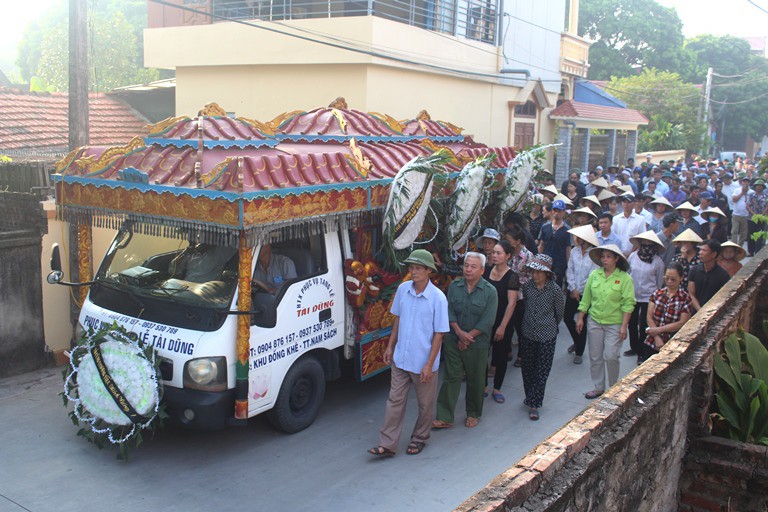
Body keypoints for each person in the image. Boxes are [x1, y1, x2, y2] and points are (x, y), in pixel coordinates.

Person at [368, 250, 449, 457]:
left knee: (425, 405)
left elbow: (439, 334)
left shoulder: (437, 298)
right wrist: (389, 346)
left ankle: (420, 438)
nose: (413, 272)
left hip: (423, 361)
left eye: (418, 268)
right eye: (411, 268)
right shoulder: (403, 290)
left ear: (428, 271)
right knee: (394, 400)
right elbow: (398, 320)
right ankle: (388, 444)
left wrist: (429, 364)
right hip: (401, 359)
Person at [433, 252, 497, 429]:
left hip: (478, 344)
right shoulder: (455, 286)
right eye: (466, 265)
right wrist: (459, 332)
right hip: (454, 339)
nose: (468, 269)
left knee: (475, 379)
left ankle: (473, 413)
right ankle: (445, 416)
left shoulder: (490, 292)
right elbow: (449, 311)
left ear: (482, 270)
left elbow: (488, 320)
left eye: (473, 266)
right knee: (451, 376)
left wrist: (468, 337)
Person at [576, 244, 636, 399]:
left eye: (609, 256)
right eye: (603, 256)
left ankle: (613, 386)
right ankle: (598, 387)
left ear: (616, 259)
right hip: (595, 321)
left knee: (611, 356)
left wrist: (624, 326)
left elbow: (628, 303)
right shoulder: (594, 275)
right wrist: (581, 317)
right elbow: (586, 298)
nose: (605, 260)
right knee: (595, 356)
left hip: (614, 323)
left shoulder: (625, 279)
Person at [519, 254, 565, 421]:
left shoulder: (555, 290)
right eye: (533, 271)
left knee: (542, 370)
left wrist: (549, 325)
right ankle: (530, 395)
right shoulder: (528, 287)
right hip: (528, 332)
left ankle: (534, 403)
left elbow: (559, 313)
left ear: (547, 274)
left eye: (539, 272)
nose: (535, 275)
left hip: (547, 334)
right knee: (527, 367)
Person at [483, 241, 519, 404]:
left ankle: (497, 388)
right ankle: (483, 386)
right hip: (486, 321)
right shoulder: (487, 271)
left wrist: (503, 326)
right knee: (483, 354)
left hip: (503, 321)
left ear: (508, 256)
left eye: (499, 253)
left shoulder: (512, 277)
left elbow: (511, 303)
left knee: (500, 355)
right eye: (494, 253)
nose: (495, 256)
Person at [639, 262, 693, 362]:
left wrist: (658, 330)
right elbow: (649, 318)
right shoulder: (657, 294)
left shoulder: (685, 298)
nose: (669, 281)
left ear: (681, 278)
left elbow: (682, 322)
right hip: (652, 341)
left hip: (673, 342)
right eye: (666, 278)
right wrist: (657, 337)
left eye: (673, 279)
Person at [625, 231, 666, 362]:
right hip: (633, 294)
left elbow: (659, 281)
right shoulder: (632, 256)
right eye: (644, 243)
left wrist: (656, 296)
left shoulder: (658, 261)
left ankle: (642, 352)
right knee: (631, 322)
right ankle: (634, 347)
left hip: (649, 296)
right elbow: (627, 273)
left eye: (649, 244)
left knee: (644, 324)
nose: (646, 246)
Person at [565, 225, 599, 365]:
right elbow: (570, 270)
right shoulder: (574, 251)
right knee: (567, 317)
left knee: (581, 321)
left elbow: (592, 276)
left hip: (586, 293)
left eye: (578, 237)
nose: (576, 239)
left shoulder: (594, 255)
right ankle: (576, 341)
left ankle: (579, 351)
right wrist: (573, 288)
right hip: (572, 291)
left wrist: (580, 290)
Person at [688, 240, 731, 312]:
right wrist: (699, 310)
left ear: (713, 254)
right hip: (695, 312)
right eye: (700, 250)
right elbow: (691, 293)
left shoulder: (723, 276)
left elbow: (723, 298)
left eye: (704, 250)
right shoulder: (694, 270)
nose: (700, 253)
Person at [538, 199, 571, 287]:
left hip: (559, 263)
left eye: (559, 211)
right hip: (546, 262)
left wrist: (568, 265)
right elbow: (541, 244)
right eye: (555, 210)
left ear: (564, 212)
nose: (557, 213)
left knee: (556, 286)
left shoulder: (567, 229)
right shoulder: (545, 227)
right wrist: (539, 260)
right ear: (552, 211)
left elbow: (568, 248)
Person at [169, 243, 238, 283]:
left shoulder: (219, 253)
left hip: (204, 292)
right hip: (185, 290)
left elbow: (236, 243)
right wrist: (184, 253)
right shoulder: (191, 253)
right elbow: (172, 270)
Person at [746, 179, 768, 256]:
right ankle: (750, 251)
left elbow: (767, 206)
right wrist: (754, 214)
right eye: (757, 186)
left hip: (762, 218)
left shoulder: (765, 196)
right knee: (750, 234)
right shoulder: (751, 195)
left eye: (760, 186)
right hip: (751, 218)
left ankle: (758, 251)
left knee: (760, 236)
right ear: (755, 187)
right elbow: (748, 205)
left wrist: (762, 215)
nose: (759, 187)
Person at [731, 174, 752, 249]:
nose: (745, 183)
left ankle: (739, 246)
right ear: (742, 182)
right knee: (734, 231)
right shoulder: (737, 190)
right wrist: (742, 193)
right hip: (736, 214)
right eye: (744, 181)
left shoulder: (751, 192)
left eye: (747, 182)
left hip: (746, 215)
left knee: (743, 233)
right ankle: (733, 246)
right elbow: (734, 200)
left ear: (749, 183)